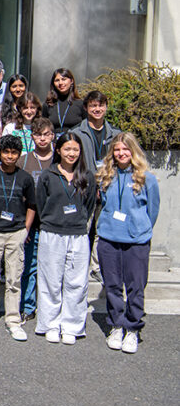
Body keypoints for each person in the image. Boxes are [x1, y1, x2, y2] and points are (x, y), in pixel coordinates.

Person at [96, 133, 160, 354]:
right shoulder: (105, 175)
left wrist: (138, 228)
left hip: (136, 242)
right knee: (112, 286)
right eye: (117, 150)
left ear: (133, 151)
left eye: (125, 149)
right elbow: (103, 204)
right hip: (108, 240)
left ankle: (132, 328)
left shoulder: (147, 178)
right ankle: (116, 325)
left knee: (135, 288)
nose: (121, 153)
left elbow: (152, 211)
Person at [35, 131, 97, 345]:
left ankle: (71, 325)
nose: (71, 153)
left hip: (78, 235)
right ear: (58, 150)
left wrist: (78, 220)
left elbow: (89, 207)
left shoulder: (87, 177)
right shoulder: (47, 176)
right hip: (52, 233)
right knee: (50, 281)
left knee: (76, 282)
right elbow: (41, 205)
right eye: (67, 149)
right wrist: (54, 220)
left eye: (75, 150)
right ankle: (50, 324)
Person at [0, 135, 37, 341]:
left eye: (14, 153)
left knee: (13, 279)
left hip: (15, 233)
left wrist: (25, 229)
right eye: (6, 152)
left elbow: (31, 205)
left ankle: (13, 320)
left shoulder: (26, 178)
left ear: (19, 155)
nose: (10, 156)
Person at [72, 89, 121, 283]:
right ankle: (80, 263)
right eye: (93, 105)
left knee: (102, 229)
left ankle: (97, 266)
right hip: (85, 187)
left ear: (106, 107)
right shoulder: (77, 133)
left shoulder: (116, 134)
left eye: (100, 105)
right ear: (86, 108)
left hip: (109, 186)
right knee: (84, 226)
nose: (97, 109)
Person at [18, 117, 55, 324]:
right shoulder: (24, 160)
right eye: (38, 135)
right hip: (30, 223)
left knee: (51, 267)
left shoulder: (58, 160)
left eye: (46, 134)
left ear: (52, 136)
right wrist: (23, 225)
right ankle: (28, 306)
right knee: (29, 267)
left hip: (53, 223)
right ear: (32, 137)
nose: (42, 139)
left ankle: (48, 307)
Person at [43, 68, 85, 136]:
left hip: (73, 143)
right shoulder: (48, 105)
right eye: (57, 80)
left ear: (71, 81)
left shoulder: (80, 104)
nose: (60, 83)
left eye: (64, 79)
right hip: (53, 144)